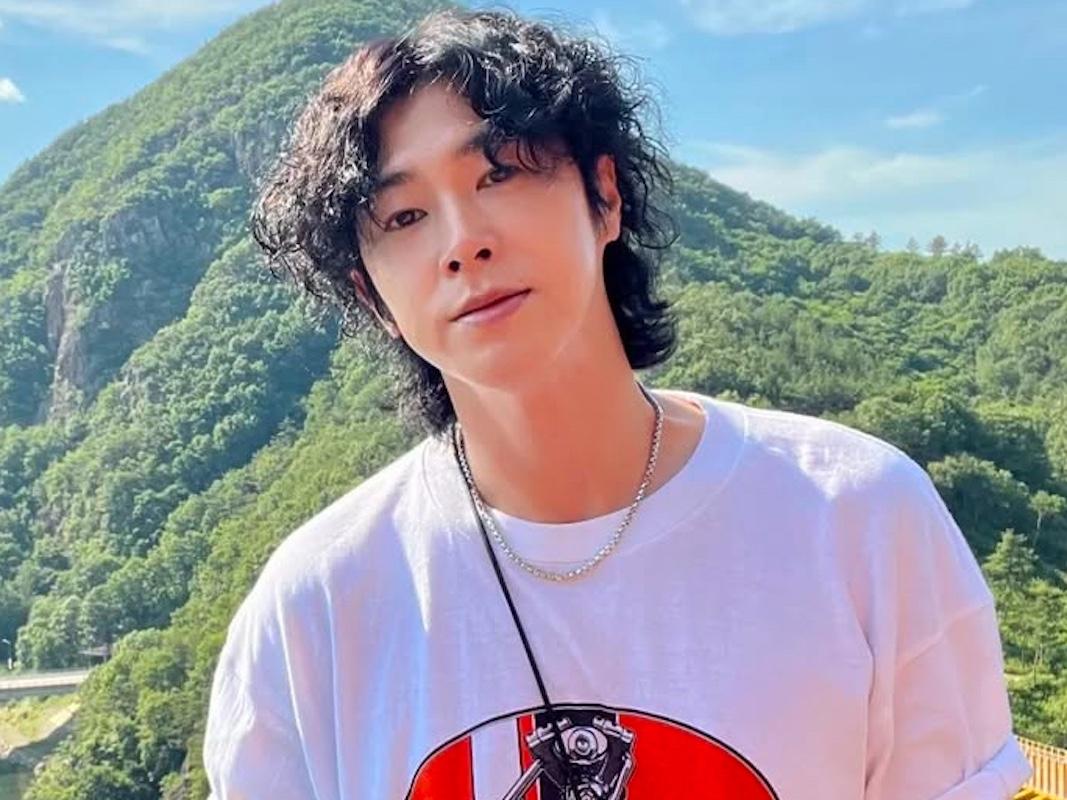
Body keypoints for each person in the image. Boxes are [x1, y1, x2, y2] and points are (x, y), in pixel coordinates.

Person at [202, 7, 1033, 799]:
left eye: (498, 172)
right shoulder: (317, 611)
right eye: (405, 215)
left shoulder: (855, 518)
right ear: (370, 294)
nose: (463, 242)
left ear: (604, 196)